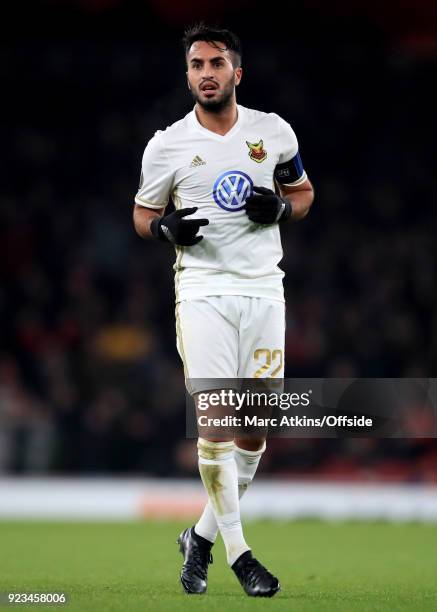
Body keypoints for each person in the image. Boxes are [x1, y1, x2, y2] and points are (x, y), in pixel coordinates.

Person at [133, 23, 314, 598]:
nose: (205, 73)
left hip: (264, 289)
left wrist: (281, 210)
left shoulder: (272, 132)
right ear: (187, 75)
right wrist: (164, 228)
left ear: (237, 71)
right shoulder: (167, 145)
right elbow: (142, 214)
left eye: (215, 63)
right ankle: (241, 555)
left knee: (256, 430)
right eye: (195, 65)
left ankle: (199, 538)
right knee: (217, 420)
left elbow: (304, 194)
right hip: (203, 290)